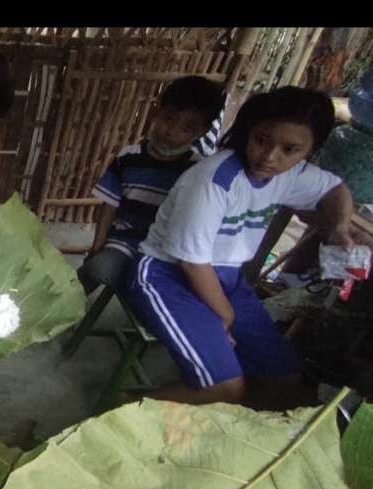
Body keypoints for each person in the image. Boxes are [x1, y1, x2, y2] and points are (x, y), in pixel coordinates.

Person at [126, 86, 356, 408]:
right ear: (249, 132)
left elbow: (336, 189)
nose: (270, 156)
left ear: (310, 150)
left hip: (228, 278)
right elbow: (192, 264)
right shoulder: (212, 181)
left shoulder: (293, 175)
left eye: (290, 149)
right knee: (224, 388)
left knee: (285, 382)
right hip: (166, 276)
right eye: (262, 140)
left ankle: (199, 425)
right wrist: (225, 317)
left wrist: (340, 229)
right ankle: (111, 419)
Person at [79, 76, 225, 295]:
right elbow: (108, 206)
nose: (173, 131)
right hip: (125, 243)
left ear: (203, 131)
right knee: (96, 269)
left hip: (167, 254)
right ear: (157, 112)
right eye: (169, 119)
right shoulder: (128, 157)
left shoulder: (198, 171)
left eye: (187, 127)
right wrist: (97, 246)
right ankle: (61, 310)